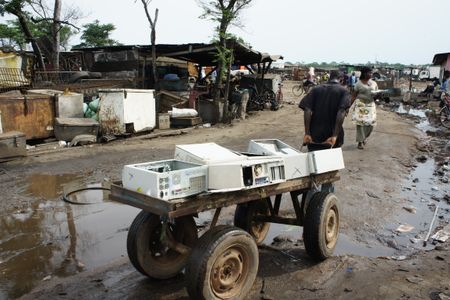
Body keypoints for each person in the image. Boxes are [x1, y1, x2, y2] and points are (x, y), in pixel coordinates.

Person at [299, 70, 351, 194]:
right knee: (328, 173)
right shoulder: (343, 91)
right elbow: (341, 112)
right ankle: (324, 204)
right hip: (331, 138)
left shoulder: (316, 89)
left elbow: (307, 109)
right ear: (341, 79)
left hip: (314, 135)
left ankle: (310, 203)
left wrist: (307, 133)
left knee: (313, 171)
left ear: (329, 78)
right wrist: (334, 135)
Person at [351, 67, 378, 150]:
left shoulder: (374, 83)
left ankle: (364, 137)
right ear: (364, 73)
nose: (371, 74)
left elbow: (377, 94)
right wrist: (348, 106)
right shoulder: (358, 84)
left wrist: (379, 96)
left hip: (371, 106)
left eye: (371, 73)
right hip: (361, 105)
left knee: (370, 125)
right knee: (360, 125)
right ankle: (360, 142)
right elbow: (354, 96)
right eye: (369, 73)